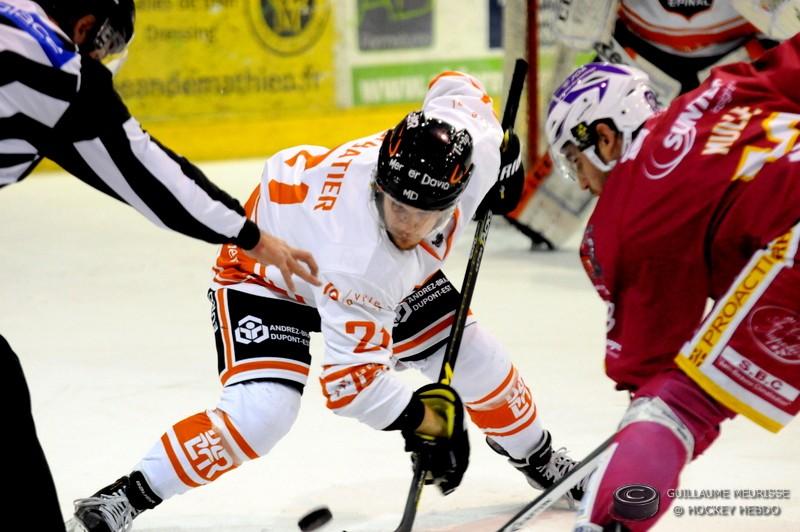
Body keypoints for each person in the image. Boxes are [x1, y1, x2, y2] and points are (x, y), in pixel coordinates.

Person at [68, 70, 587, 532]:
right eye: (396, 205)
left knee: (480, 360)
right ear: (379, 180)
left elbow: (455, 84)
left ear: (457, 195)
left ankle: (539, 458)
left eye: (424, 214)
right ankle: (126, 496)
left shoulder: (477, 148)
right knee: (261, 414)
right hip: (270, 273)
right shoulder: (360, 257)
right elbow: (349, 385)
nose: (407, 225)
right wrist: (421, 421)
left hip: (364, 272)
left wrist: (506, 160)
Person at [1, 1, 319, 529]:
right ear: (85, 27)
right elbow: (151, 176)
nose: (100, 58)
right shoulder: (61, 73)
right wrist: (251, 236)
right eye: (105, 46)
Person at [544, 34, 800, 530]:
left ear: (604, 138)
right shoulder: (721, 91)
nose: (584, 183)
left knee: (677, 407)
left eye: (576, 162)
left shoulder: (618, 222)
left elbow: (651, 379)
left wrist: (636, 444)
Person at [509, 0, 792, 251]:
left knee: (777, 182)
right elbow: (578, 29)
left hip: (742, 57)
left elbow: (788, 21)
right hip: (637, 61)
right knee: (546, 210)